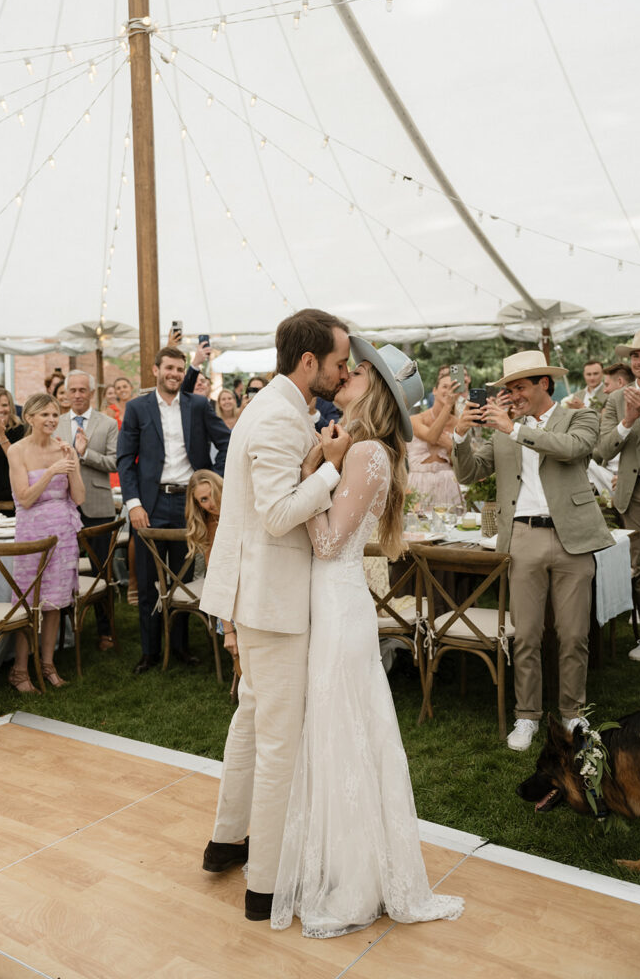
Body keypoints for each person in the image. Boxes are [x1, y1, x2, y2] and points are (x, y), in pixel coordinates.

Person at [271, 338, 464, 938]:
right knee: (347, 730)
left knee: (340, 730)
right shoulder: (371, 450)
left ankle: (353, 880)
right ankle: (352, 865)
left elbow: (328, 543)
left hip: (338, 599)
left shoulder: (364, 455)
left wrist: (310, 475)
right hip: (341, 600)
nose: (345, 376)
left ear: (374, 389)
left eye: (356, 372)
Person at [200, 308, 351, 923]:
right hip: (271, 602)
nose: (342, 374)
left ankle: (224, 842)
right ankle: (263, 886)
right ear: (308, 361)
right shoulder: (277, 417)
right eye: (339, 363)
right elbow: (276, 513)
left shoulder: (279, 411)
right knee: (278, 742)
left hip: (259, 597)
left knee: (251, 719)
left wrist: (316, 459)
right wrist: (331, 467)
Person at [452, 350, 613, 752]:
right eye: (508, 388)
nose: (513, 395)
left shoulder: (580, 416)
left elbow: (571, 449)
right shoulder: (506, 429)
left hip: (572, 536)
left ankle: (572, 712)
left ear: (544, 383)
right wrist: (458, 435)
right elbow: (471, 472)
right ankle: (527, 716)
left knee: (574, 634)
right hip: (522, 537)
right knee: (525, 634)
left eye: (519, 386)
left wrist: (514, 429)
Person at [117, 346, 231, 675]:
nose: (175, 374)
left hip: (189, 504)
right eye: (169, 367)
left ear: (184, 373)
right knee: (151, 577)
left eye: (180, 369)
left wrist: (213, 480)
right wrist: (134, 504)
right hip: (150, 503)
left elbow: (228, 441)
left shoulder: (199, 406)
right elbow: (125, 459)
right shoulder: (137, 408)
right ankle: (150, 651)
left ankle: (180, 646)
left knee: (182, 575)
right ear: (156, 370)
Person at [7, 393, 85, 691]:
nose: (52, 420)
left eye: (55, 414)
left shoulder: (64, 449)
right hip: (32, 534)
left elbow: (78, 498)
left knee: (54, 603)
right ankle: (19, 670)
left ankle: (48, 664)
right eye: (45, 415)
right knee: (29, 602)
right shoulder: (17, 451)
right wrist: (52, 471)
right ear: (30, 418)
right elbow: (24, 499)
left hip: (62, 535)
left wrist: (72, 464)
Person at [597, 329, 640, 662]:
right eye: (635, 356)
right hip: (633, 494)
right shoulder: (616, 399)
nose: (639, 361)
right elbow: (602, 449)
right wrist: (627, 420)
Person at [55, 371, 118, 652]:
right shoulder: (54, 424)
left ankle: (105, 632)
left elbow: (115, 462)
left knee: (101, 569)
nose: (78, 395)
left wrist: (84, 454)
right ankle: (63, 633)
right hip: (63, 506)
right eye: (73, 390)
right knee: (60, 569)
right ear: (66, 393)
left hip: (98, 505)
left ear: (92, 393)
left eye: (83, 390)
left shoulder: (107, 423)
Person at [184, 469, 239, 672]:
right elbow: (217, 577)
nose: (212, 503)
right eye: (204, 500)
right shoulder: (208, 526)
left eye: (214, 494)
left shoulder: (244, 509)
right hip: (231, 594)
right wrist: (228, 629)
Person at [407, 370, 464, 510]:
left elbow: (459, 463)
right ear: (434, 390)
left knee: (451, 526)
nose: (449, 391)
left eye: (453, 387)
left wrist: (451, 447)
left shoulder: (459, 423)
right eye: (445, 386)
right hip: (418, 482)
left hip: (447, 482)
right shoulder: (415, 419)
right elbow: (432, 438)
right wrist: (448, 406)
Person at [587, 363, 634, 495]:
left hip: (630, 478)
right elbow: (603, 449)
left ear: (620, 382)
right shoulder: (611, 407)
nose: (604, 390)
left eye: (607, 385)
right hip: (607, 471)